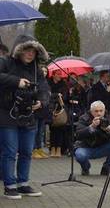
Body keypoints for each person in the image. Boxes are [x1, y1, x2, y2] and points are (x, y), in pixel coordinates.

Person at [0, 35, 50, 199]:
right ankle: (9, 185)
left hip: (29, 115)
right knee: (10, 151)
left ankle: (23, 184)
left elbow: (44, 88)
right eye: (27, 50)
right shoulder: (6, 62)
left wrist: (41, 102)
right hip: (7, 114)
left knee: (27, 151)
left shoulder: (37, 69)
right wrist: (16, 81)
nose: (30, 54)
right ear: (19, 50)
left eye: (33, 51)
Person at [74, 100, 110, 176]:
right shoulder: (84, 118)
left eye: (101, 111)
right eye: (96, 111)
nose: (99, 113)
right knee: (79, 155)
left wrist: (109, 129)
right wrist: (91, 127)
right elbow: (78, 135)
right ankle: (85, 168)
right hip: (86, 147)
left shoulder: (109, 117)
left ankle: (107, 168)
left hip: (103, 147)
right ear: (91, 111)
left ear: (104, 111)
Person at [48, 70, 69, 158]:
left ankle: (59, 149)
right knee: (52, 129)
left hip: (60, 110)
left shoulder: (63, 84)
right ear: (53, 75)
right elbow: (47, 95)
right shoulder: (48, 83)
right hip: (51, 109)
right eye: (58, 74)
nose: (60, 76)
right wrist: (57, 94)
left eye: (61, 74)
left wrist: (56, 96)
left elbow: (65, 97)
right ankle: (52, 148)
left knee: (60, 129)